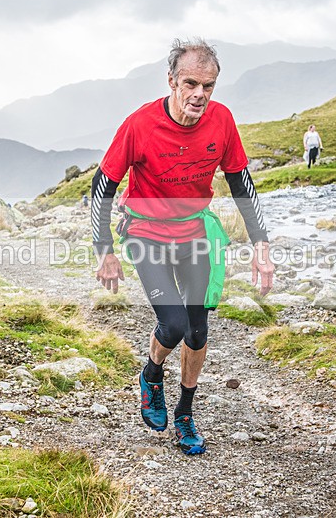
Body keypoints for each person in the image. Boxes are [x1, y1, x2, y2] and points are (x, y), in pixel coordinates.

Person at [91, 38, 274, 456]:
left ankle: (185, 414)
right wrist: (105, 249)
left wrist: (261, 245)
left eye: (208, 86)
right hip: (146, 232)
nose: (199, 95)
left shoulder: (222, 121)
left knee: (197, 330)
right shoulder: (139, 125)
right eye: (191, 83)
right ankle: (151, 375)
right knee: (172, 325)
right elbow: (103, 186)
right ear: (171, 80)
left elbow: (241, 184)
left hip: (193, 231)